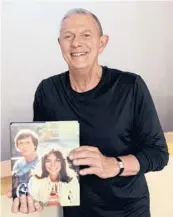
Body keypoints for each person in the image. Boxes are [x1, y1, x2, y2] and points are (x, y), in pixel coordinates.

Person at [10, 8, 169, 217]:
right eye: (68, 36)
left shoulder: (130, 86)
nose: (76, 43)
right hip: (77, 211)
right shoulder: (47, 91)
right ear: (60, 44)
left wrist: (114, 164)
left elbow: (158, 154)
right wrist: (33, 196)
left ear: (102, 43)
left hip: (128, 210)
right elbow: (42, 157)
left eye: (86, 35)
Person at [12, 129, 39, 198]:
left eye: (28, 142)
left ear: (35, 145)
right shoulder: (18, 164)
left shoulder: (43, 162)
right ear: (17, 147)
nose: (24, 146)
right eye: (21, 143)